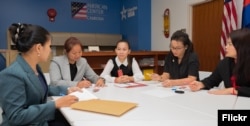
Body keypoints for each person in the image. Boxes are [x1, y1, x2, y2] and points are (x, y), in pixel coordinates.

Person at [0, 23, 81, 126]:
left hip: (39, 120)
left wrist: (66, 90)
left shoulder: (35, 67)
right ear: (38, 48)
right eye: (49, 46)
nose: (50, 50)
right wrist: (55, 104)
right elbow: (16, 116)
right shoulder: (12, 75)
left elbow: (41, 89)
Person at [189, 28, 250, 97]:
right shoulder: (225, 63)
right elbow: (212, 80)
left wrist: (232, 90)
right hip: (230, 102)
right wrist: (201, 84)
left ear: (242, 46)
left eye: (230, 44)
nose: (226, 47)